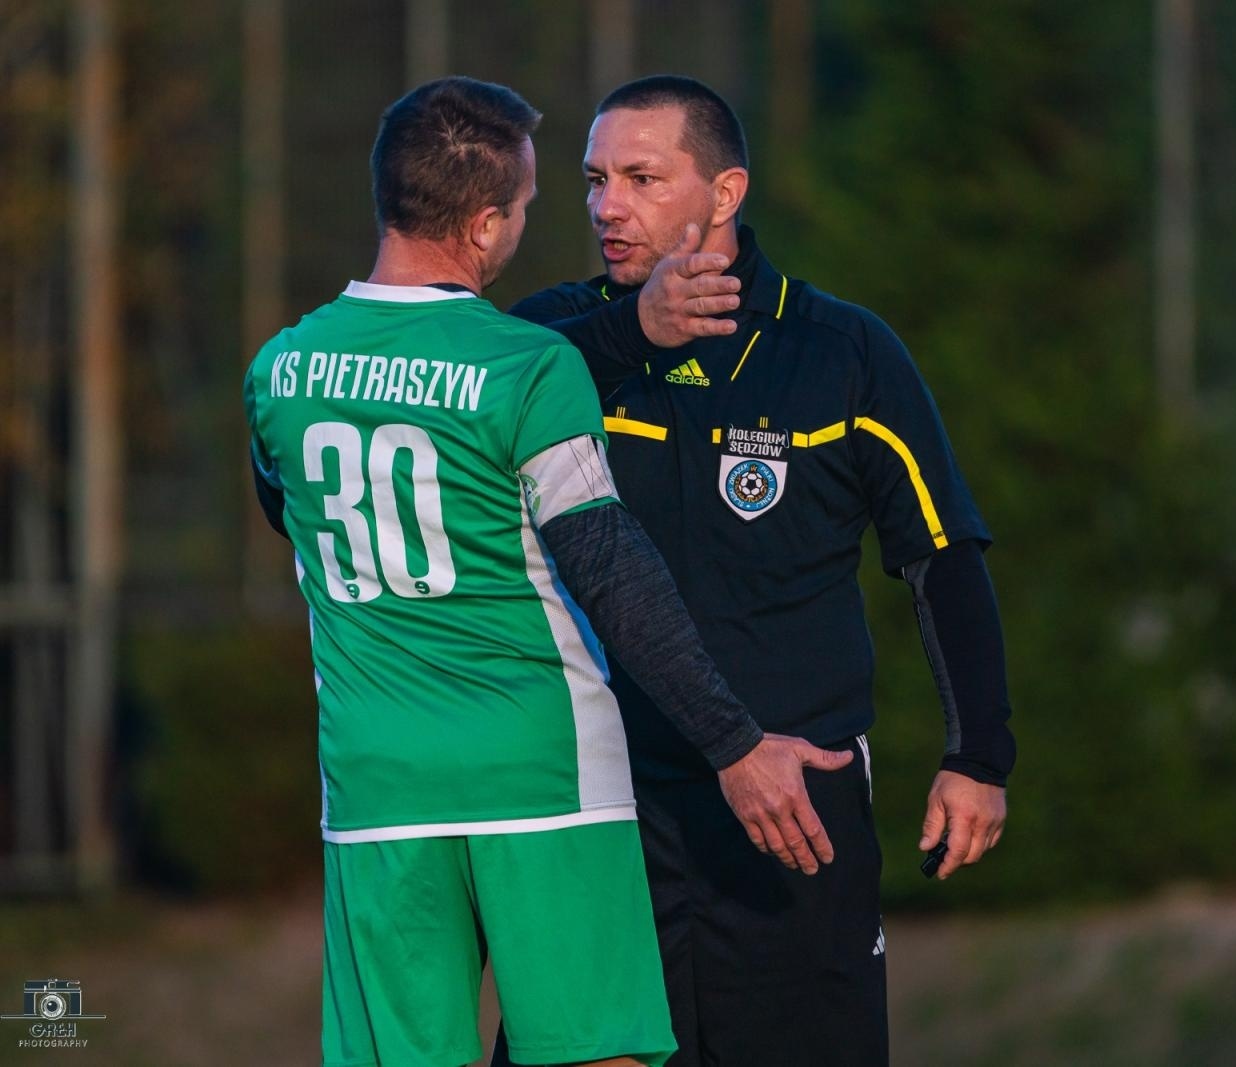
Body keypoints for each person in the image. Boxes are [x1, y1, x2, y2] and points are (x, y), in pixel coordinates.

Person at [242, 76, 855, 1067]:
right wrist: (734, 741)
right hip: (544, 772)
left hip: (377, 784)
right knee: (592, 1051)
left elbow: (290, 513)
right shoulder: (527, 366)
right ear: (484, 225)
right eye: (526, 207)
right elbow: (609, 567)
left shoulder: (279, 371)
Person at [497, 75, 1016, 1067]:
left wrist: (978, 754)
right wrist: (633, 333)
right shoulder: (555, 340)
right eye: (595, 180)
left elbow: (940, 556)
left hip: (794, 806)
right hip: (601, 805)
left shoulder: (841, 352)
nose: (608, 206)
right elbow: (481, 392)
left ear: (725, 192)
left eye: (642, 178)